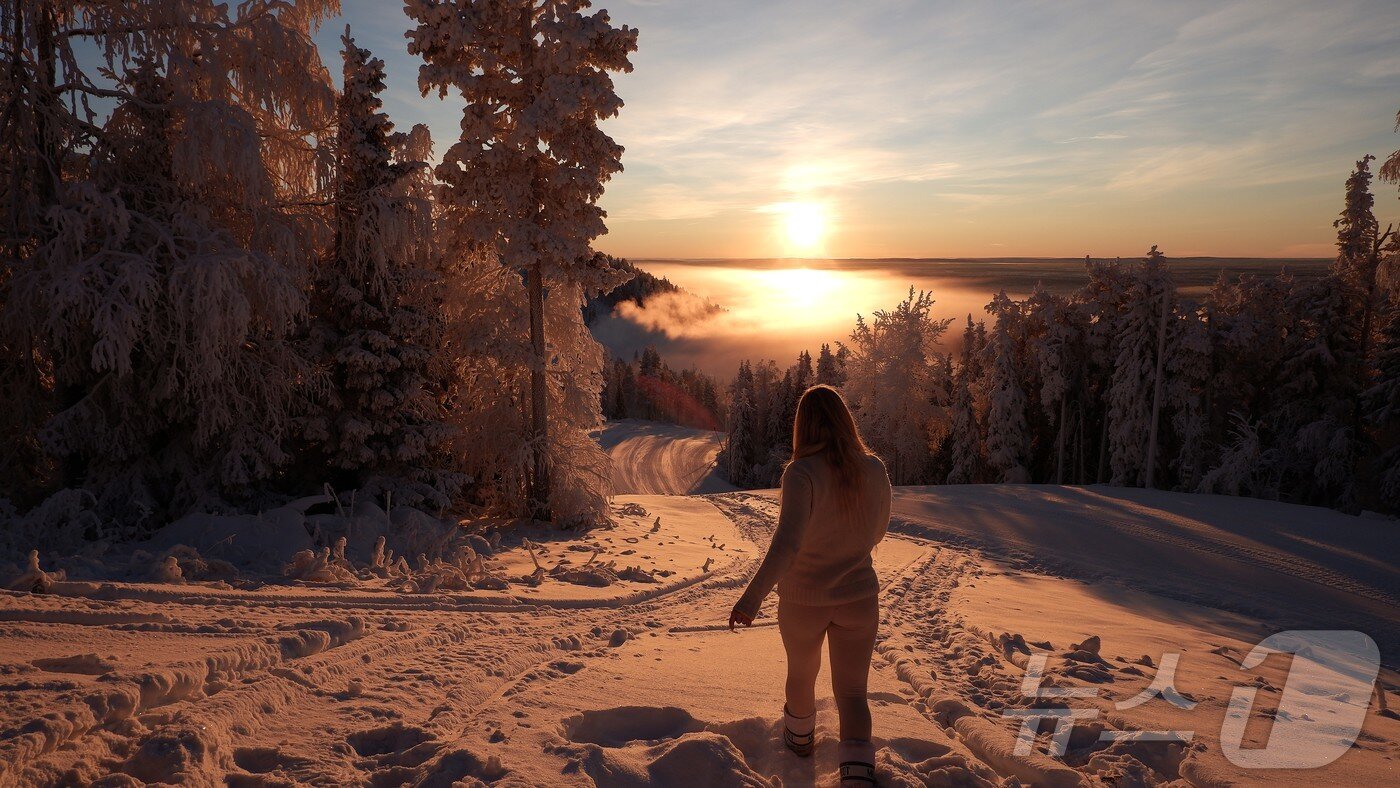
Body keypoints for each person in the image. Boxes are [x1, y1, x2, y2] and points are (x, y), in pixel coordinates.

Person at [729, 385, 892, 787]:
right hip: (859, 599)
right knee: (853, 691)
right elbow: (877, 532)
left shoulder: (801, 473)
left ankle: (800, 741)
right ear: (844, 420)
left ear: (803, 426)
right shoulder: (874, 469)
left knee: (802, 673)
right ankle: (856, 774)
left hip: (804, 601)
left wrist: (751, 600)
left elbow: (787, 546)